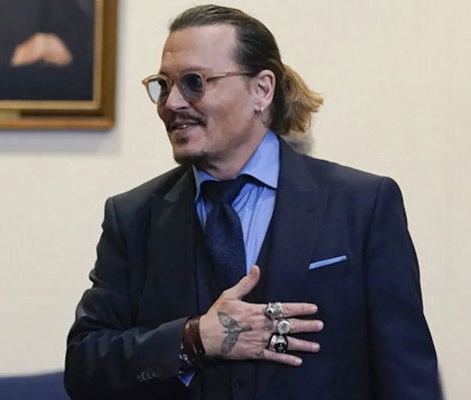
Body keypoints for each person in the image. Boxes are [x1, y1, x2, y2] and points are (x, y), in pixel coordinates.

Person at [64, 4, 443, 400]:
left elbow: (408, 376)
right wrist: (194, 338)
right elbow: (85, 367)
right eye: (163, 84)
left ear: (261, 90)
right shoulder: (133, 217)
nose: (172, 103)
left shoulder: (362, 205)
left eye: (194, 82)